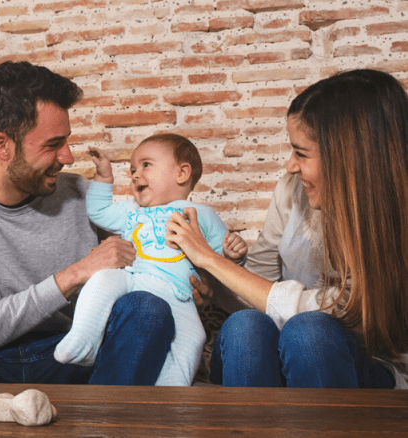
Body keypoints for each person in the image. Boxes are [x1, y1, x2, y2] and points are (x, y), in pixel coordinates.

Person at [0, 60, 175, 385]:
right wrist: (76, 273)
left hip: (73, 352)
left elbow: (143, 260)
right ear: (2, 147)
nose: (68, 157)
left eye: (66, 141)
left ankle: (101, 413)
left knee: (147, 309)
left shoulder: (81, 194)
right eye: (53, 145)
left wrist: (180, 277)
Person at [167, 68, 408, 388]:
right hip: (285, 354)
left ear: (347, 158)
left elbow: (344, 312)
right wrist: (214, 287)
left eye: (301, 153)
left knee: (309, 332)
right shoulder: (292, 190)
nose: (290, 165)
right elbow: (258, 291)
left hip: (359, 366)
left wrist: (210, 259)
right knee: (244, 326)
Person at [53, 134, 247, 386]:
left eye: (146, 165)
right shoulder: (132, 211)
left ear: (182, 173)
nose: (135, 175)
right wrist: (103, 177)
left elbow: (220, 261)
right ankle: (83, 341)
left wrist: (234, 254)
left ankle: (171, 388)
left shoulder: (201, 215)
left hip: (178, 294)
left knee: (193, 337)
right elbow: (99, 212)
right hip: (131, 279)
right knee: (100, 280)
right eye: (133, 169)